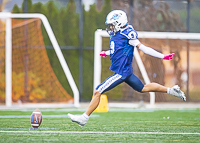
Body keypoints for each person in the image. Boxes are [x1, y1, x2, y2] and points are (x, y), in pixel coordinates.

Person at [68, 10, 186, 127]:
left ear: (119, 23)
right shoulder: (117, 34)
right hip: (126, 72)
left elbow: (143, 48)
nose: (110, 27)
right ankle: (171, 90)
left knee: (98, 91)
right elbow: (119, 49)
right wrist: (108, 52)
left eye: (112, 24)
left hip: (121, 72)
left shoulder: (129, 34)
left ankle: (84, 118)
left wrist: (162, 56)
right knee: (143, 88)